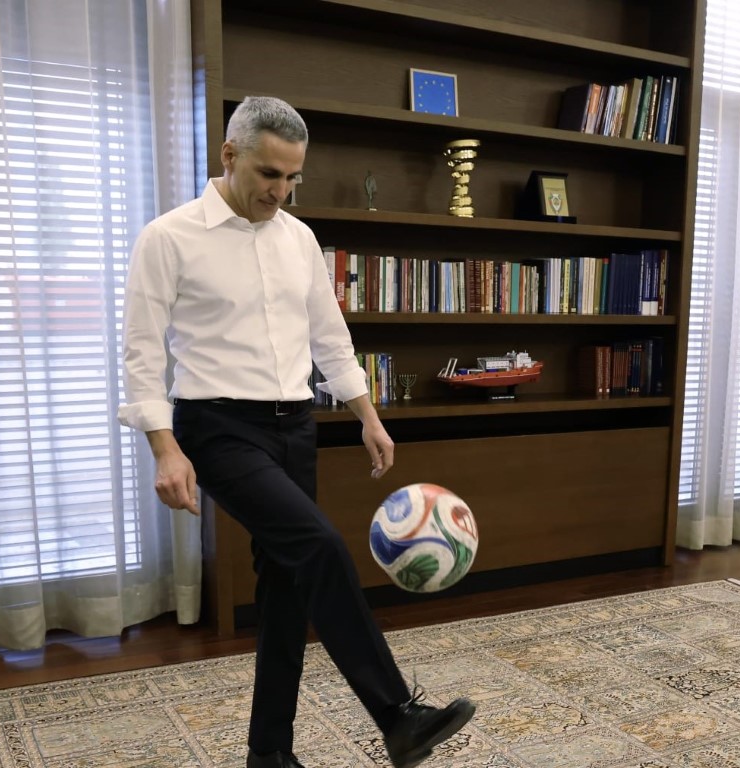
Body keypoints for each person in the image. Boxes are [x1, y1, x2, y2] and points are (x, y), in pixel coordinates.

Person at [117, 96, 475, 768]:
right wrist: (164, 449)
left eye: (291, 178)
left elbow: (328, 335)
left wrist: (367, 414)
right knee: (320, 547)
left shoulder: (299, 238)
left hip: (294, 427)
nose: (279, 191)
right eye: (268, 174)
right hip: (218, 428)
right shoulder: (168, 237)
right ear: (229, 155)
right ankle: (396, 714)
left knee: (284, 590)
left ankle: (269, 755)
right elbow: (140, 353)